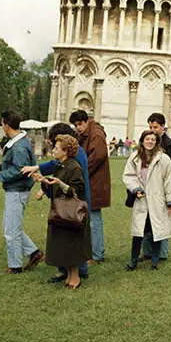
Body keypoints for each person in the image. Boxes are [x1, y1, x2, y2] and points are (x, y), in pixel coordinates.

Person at [0, 111, 43, 274]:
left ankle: (15, 266)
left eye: (2, 123)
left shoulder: (19, 146)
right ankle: (34, 253)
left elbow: (19, 170)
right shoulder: (20, 143)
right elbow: (17, 166)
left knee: (11, 231)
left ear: (6, 125)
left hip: (17, 191)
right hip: (17, 190)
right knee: (10, 227)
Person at [37, 133, 90, 290]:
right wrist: (44, 182)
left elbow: (77, 190)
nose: (53, 150)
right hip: (61, 212)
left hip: (71, 214)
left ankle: (75, 277)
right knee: (63, 244)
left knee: (71, 244)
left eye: (56, 148)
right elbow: (56, 188)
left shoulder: (74, 167)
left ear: (66, 151)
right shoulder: (60, 166)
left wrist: (60, 183)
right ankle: (68, 275)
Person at [123, 130, 171, 270]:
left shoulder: (163, 159)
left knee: (156, 230)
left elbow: (169, 181)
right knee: (138, 232)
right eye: (147, 139)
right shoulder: (135, 157)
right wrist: (136, 188)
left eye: (153, 140)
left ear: (156, 142)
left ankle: (154, 260)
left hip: (157, 199)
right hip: (141, 200)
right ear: (142, 141)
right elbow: (129, 175)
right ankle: (133, 260)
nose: (150, 142)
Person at [71, 109, 110, 264]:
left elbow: (98, 156)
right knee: (91, 218)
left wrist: (82, 171)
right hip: (91, 180)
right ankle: (92, 252)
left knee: (94, 219)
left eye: (80, 124)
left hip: (95, 182)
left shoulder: (96, 134)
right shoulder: (87, 134)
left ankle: (97, 254)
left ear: (86, 121)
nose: (78, 128)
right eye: (76, 125)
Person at [142, 112, 171, 263]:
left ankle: (162, 252)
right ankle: (147, 251)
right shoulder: (148, 142)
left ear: (163, 127)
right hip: (147, 188)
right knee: (146, 218)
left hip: (162, 188)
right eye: (150, 126)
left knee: (162, 219)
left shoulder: (169, 145)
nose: (152, 129)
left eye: (155, 127)